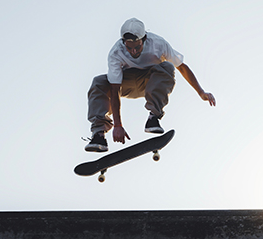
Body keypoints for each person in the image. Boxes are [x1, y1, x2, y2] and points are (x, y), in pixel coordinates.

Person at [85, 18, 216, 152]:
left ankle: (154, 117)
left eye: (137, 47)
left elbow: (182, 67)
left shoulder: (158, 44)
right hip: (127, 84)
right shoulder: (116, 52)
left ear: (145, 39)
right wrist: (118, 125)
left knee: (167, 66)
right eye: (129, 48)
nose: (133, 52)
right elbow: (114, 90)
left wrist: (201, 92)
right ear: (123, 42)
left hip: (151, 82)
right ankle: (99, 135)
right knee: (99, 82)